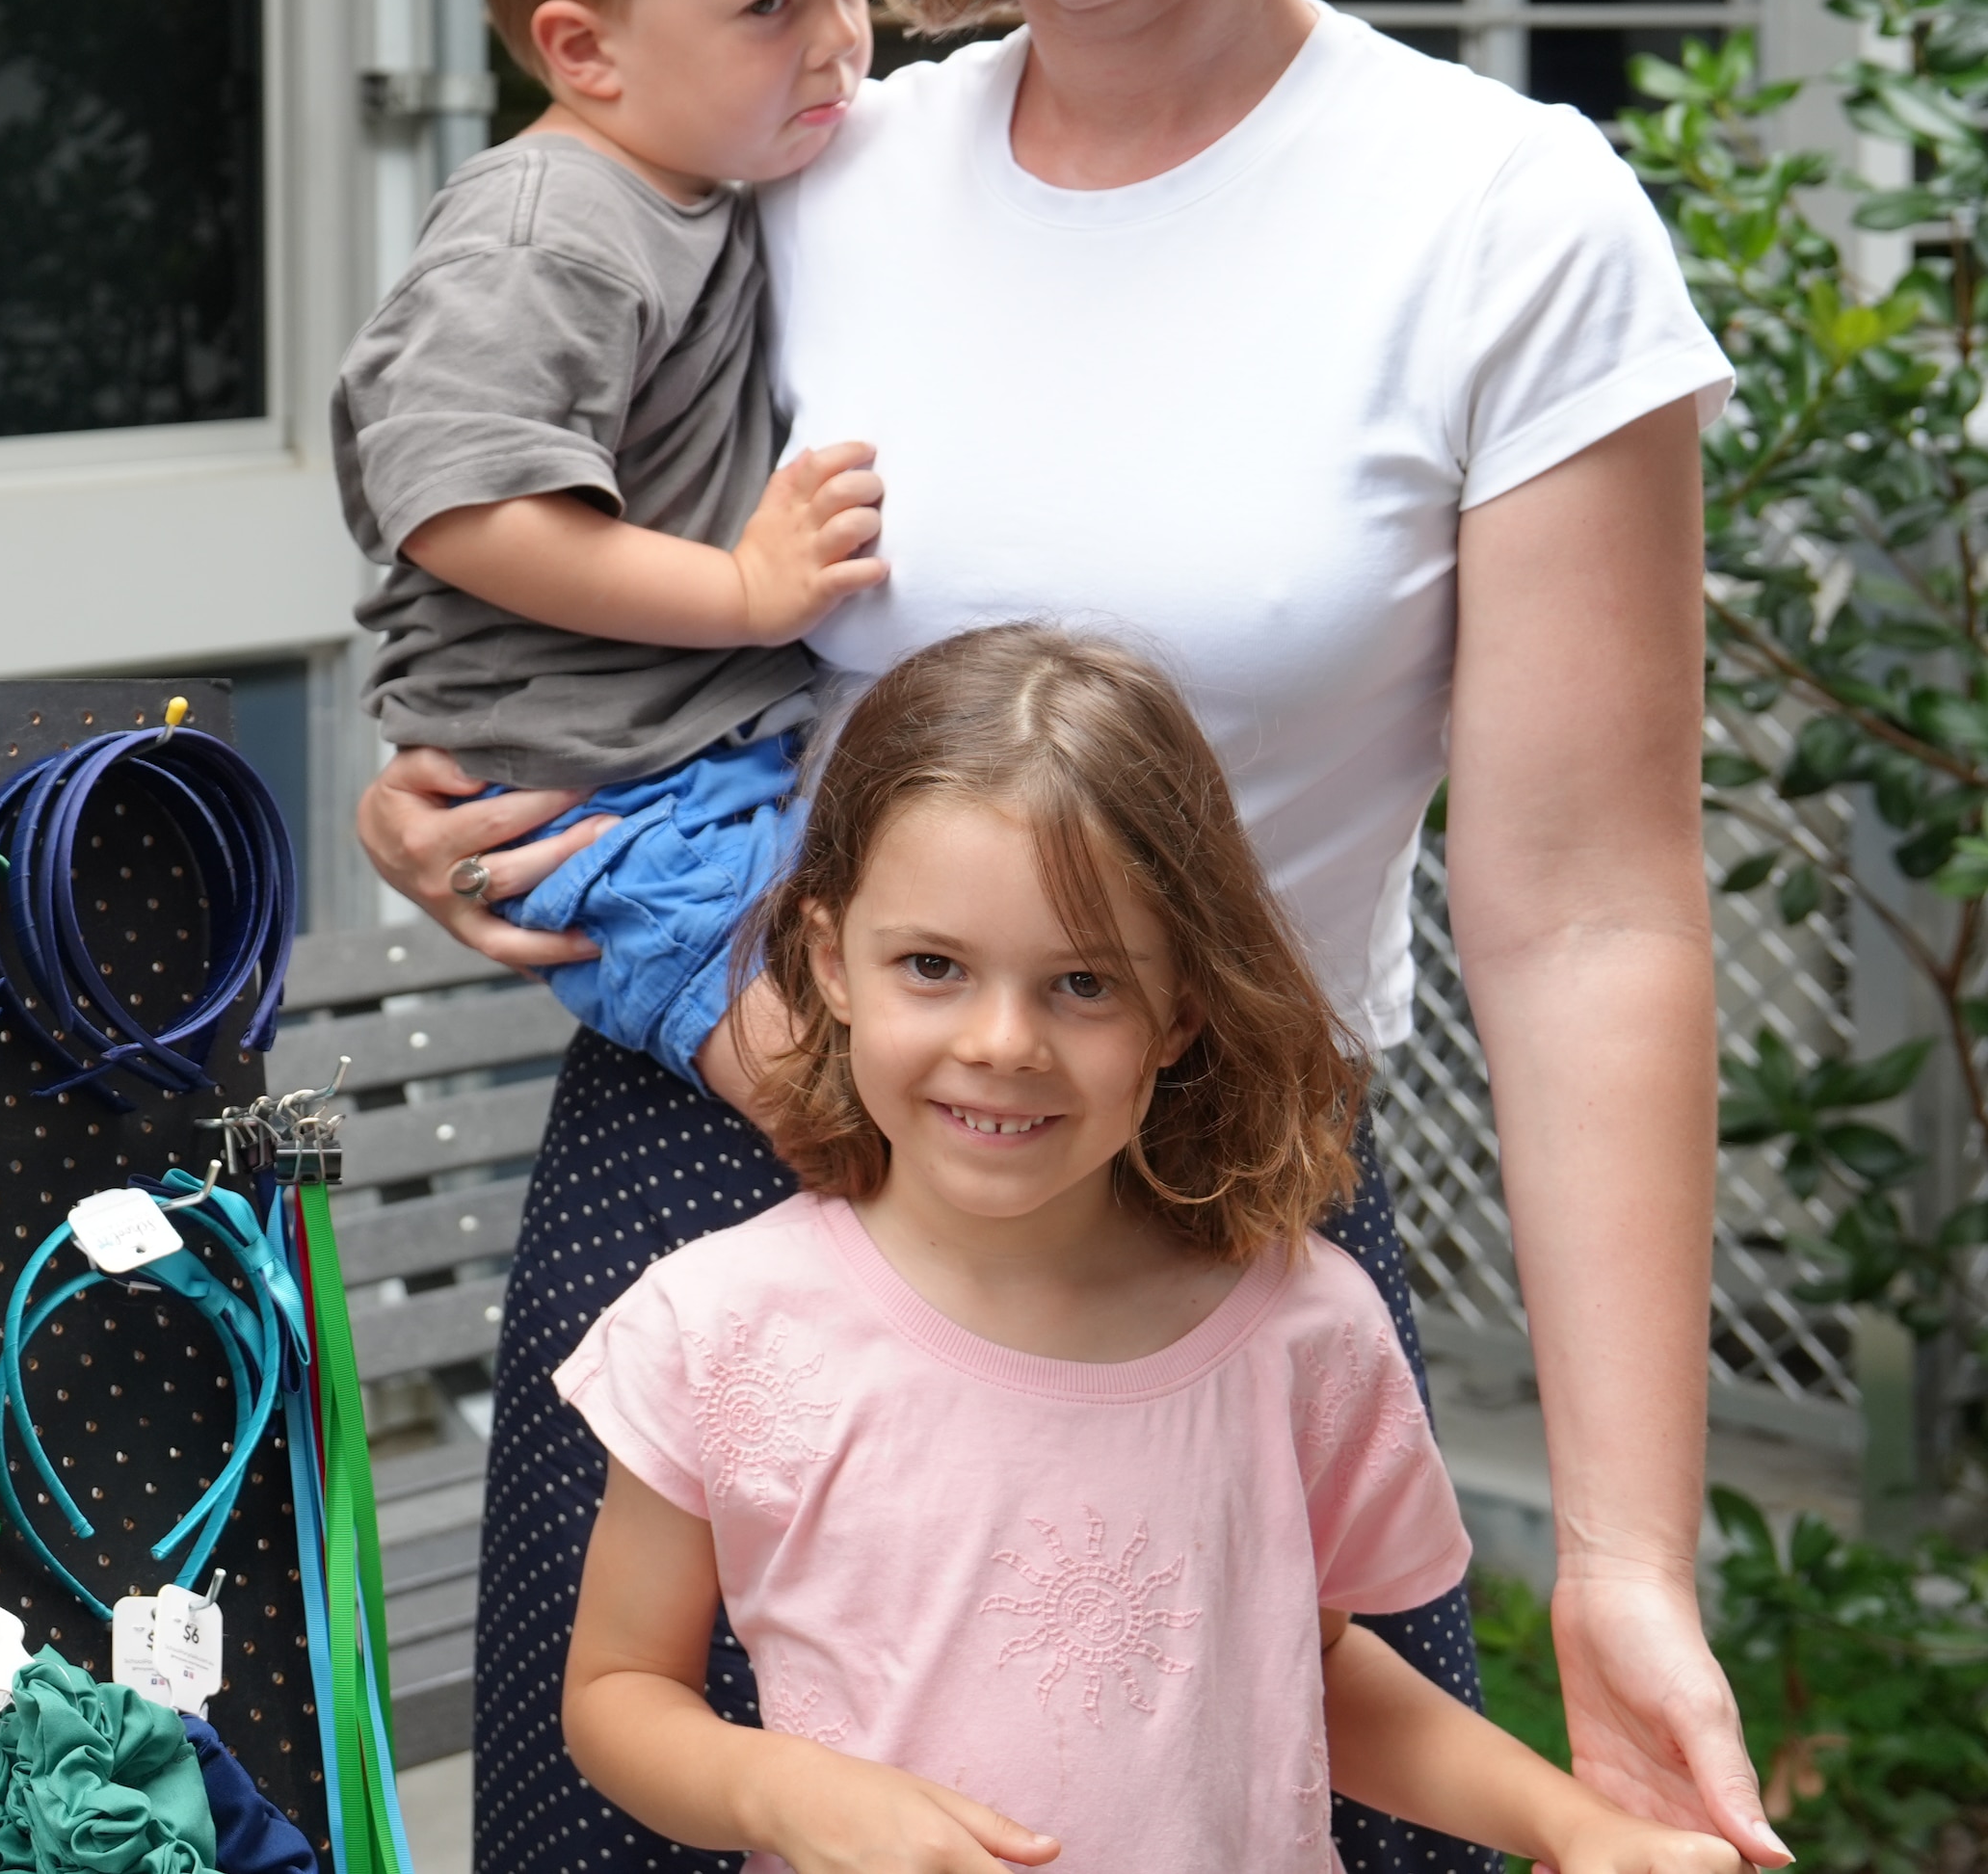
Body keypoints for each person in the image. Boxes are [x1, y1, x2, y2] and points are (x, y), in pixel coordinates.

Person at [358, 0, 1777, 1867]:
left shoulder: (1500, 218)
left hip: (1207, 1247)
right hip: (731, 1191)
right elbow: (501, 472)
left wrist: (1631, 1558)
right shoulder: (802, 157)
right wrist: (470, 778)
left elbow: (1590, 915)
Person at [554, 626, 1740, 1874]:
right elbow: (622, 1687)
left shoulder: (1303, 1330)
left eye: (1082, 983)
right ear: (828, 956)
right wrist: (776, 1786)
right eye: (933, 966)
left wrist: (1577, 1823)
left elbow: (1315, 1668)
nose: (1004, 1040)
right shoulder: (719, 1328)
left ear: (1180, 1006)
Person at [331, 0, 888, 1090]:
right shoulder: (551, 224)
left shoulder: (707, 169)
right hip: (604, 795)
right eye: (771, 4)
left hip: (701, 765)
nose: (840, 42)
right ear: (585, 52)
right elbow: (464, 511)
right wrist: (750, 595)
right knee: (842, 1110)